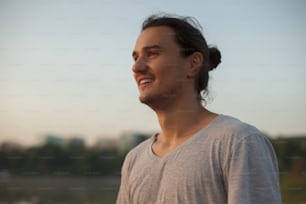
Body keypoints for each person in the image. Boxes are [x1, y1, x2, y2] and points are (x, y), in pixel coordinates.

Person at [116, 14, 281, 204]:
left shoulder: (238, 142)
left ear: (193, 64)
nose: (136, 67)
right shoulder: (134, 160)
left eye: (152, 54)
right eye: (136, 57)